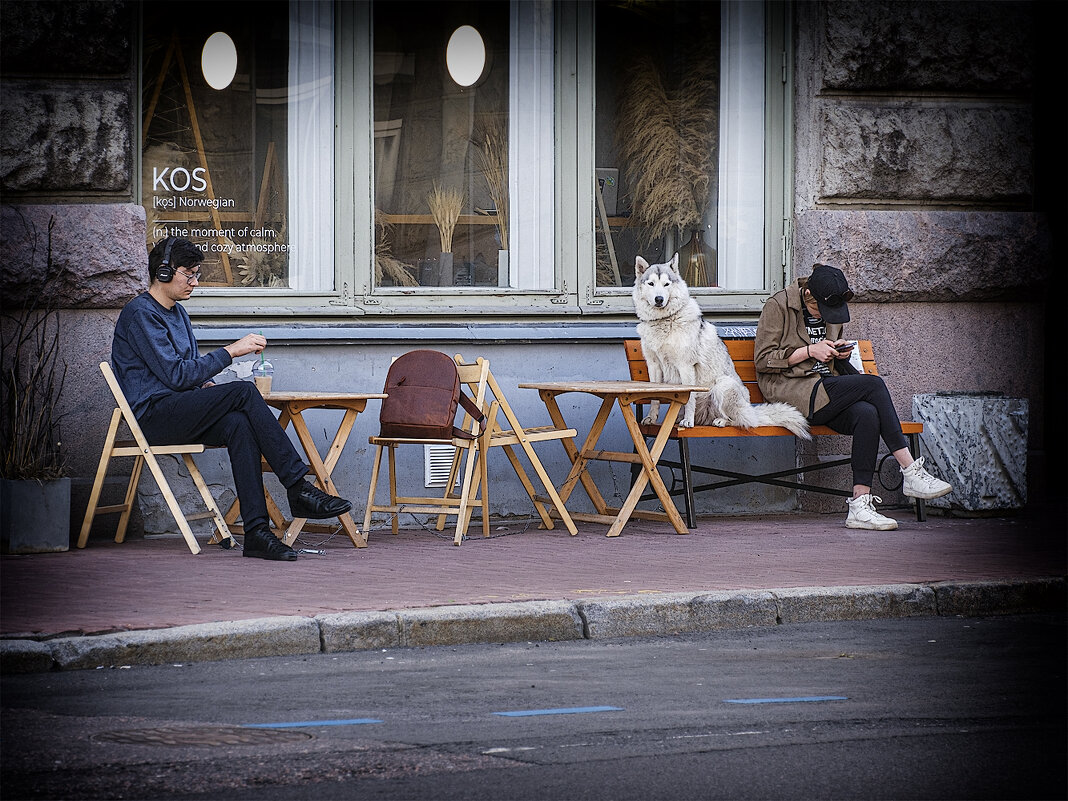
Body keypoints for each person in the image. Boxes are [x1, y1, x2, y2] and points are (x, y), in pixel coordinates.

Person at [111, 237, 352, 561]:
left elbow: (191, 370)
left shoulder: (179, 314)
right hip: (154, 416)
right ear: (164, 272)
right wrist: (232, 351)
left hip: (181, 409)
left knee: (238, 423)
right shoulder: (140, 313)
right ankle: (297, 487)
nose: (195, 282)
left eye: (197, 274)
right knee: (243, 391)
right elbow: (176, 376)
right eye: (189, 274)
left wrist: (209, 385)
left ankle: (256, 533)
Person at [754, 263, 952, 530]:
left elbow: (830, 359)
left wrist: (838, 353)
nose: (825, 316)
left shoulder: (832, 308)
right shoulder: (778, 306)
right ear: (808, 293)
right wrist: (809, 351)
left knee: (866, 414)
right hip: (792, 390)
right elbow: (763, 361)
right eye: (819, 311)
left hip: (825, 387)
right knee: (873, 386)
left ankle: (860, 505)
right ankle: (910, 470)